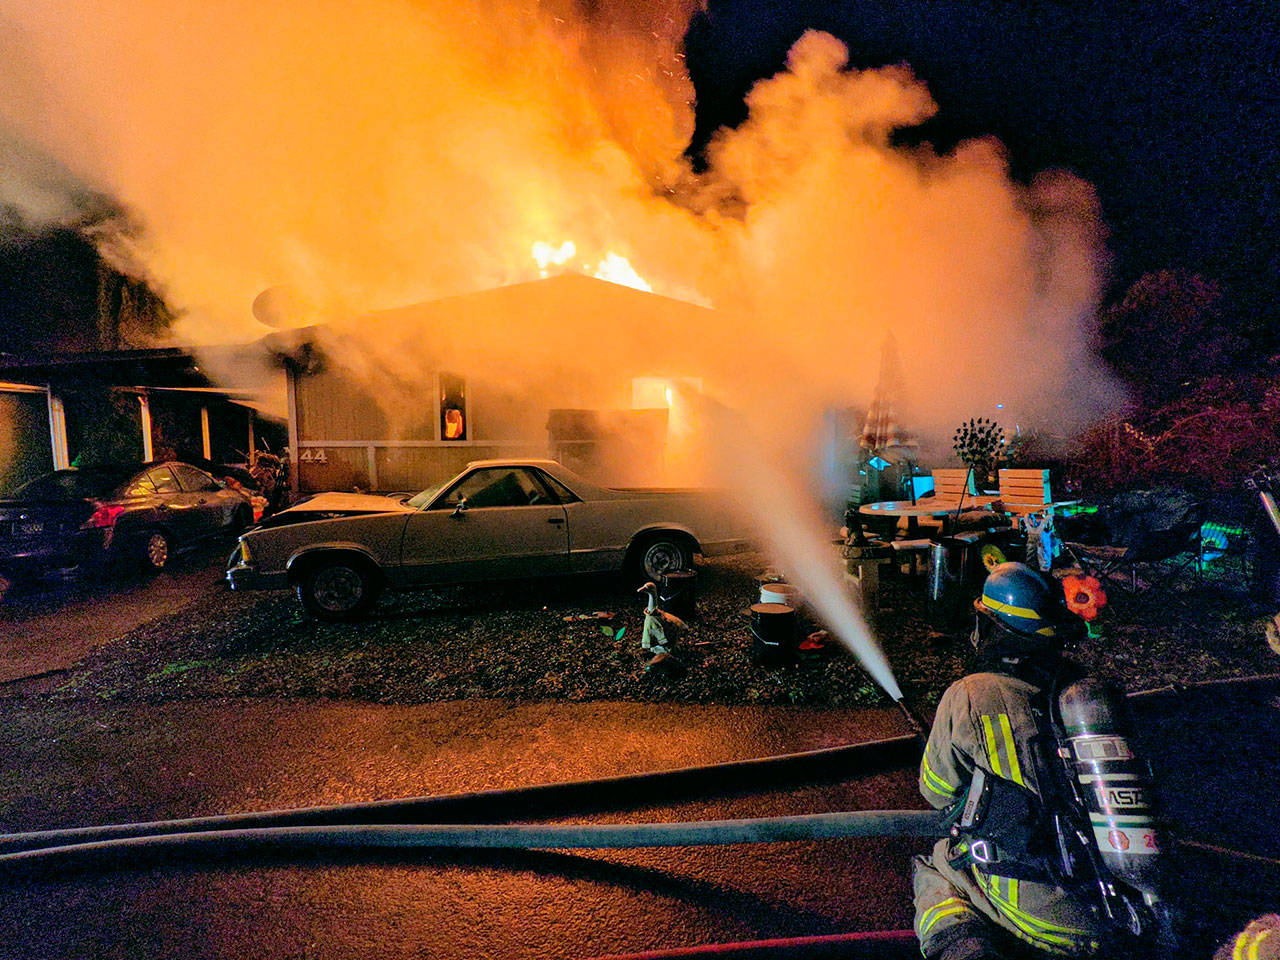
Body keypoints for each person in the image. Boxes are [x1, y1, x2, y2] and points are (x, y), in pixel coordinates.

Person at [912, 562, 1111, 959]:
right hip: (1112, 910)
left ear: (993, 628)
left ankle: (965, 950)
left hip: (1038, 914)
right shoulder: (1086, 692)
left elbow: (935, 792)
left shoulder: (970, 693)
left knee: (934, 867)